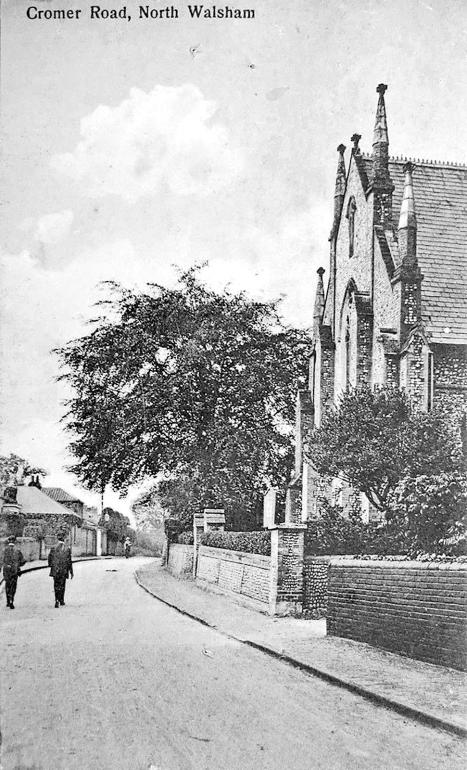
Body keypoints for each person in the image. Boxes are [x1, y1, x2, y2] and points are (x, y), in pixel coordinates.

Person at [48, 531, 73, 608]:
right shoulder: (67, 549)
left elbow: (49, 560)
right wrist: (71, 571)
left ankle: (56, 600)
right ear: (64, 539)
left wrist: (52, 566)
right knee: (62, 585)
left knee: (56, 585)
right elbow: (69, 561)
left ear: (57, 538)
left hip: (55, 570)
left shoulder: (53, 548)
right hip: (63, 570)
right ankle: (61, 600)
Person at [3, 535, 26, 609]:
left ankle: (7, 600)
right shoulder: (18, 550)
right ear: (15, 541)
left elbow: (1, 560)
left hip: (6, 571)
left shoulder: (4, 550)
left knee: (7, 585)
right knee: (13, 586)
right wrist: (18, 565)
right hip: (14, 571)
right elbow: (22, 561)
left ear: (8, 541)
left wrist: (6, 565)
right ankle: (11, 600)